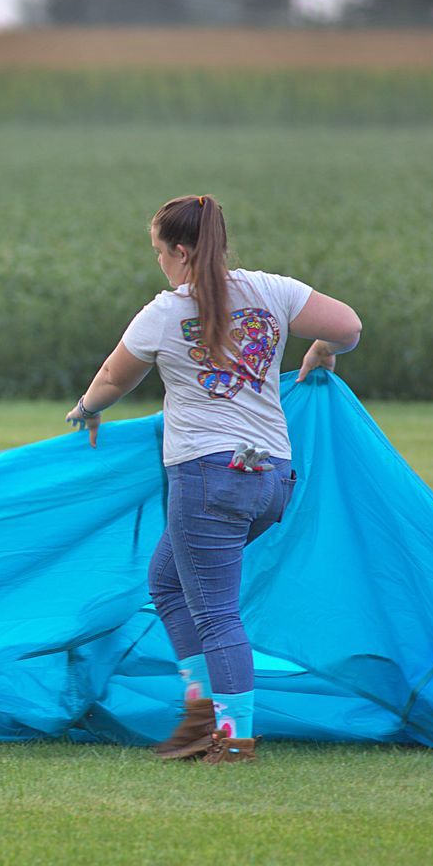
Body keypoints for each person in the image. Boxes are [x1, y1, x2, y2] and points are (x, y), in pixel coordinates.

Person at [64, 195, 361, 764]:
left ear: (180, 251)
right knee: (167, 583)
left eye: (158, 251)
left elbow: (113, 378)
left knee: (215, 612)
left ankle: (232, 739)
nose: (158, 261)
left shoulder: (165, 313)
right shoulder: (272, 291)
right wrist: (324, 347)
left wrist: (86, 409)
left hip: (209, 478)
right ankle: (202, 716)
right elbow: (349, 325)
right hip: (271, 478)